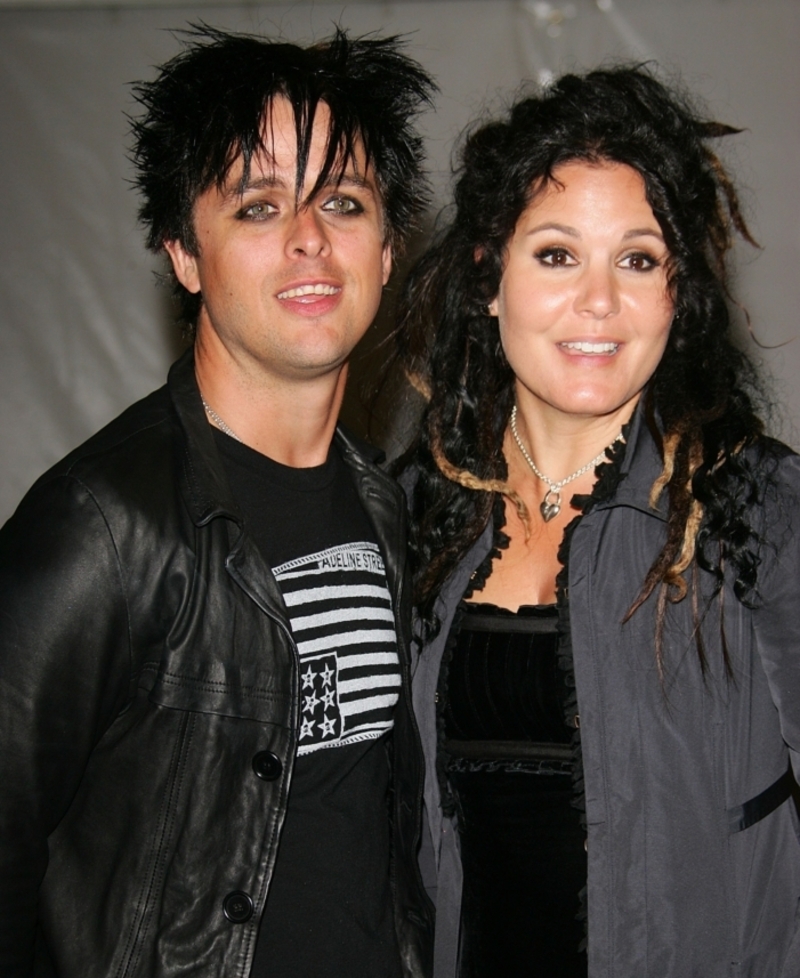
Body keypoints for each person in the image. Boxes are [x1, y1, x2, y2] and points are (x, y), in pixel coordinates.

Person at [0, 26, 436, 978]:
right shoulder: (100, 528)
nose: (310, 237)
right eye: (257, 206)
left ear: (389, 248)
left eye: (345, 201)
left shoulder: (390, 508)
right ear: (184, 255)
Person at [397, 66, 800, 978]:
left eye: (638, 258)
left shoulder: (754, 508)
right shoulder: (418, 512)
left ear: (677, 293)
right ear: (487, 276)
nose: (599, 301)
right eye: (555, 253)